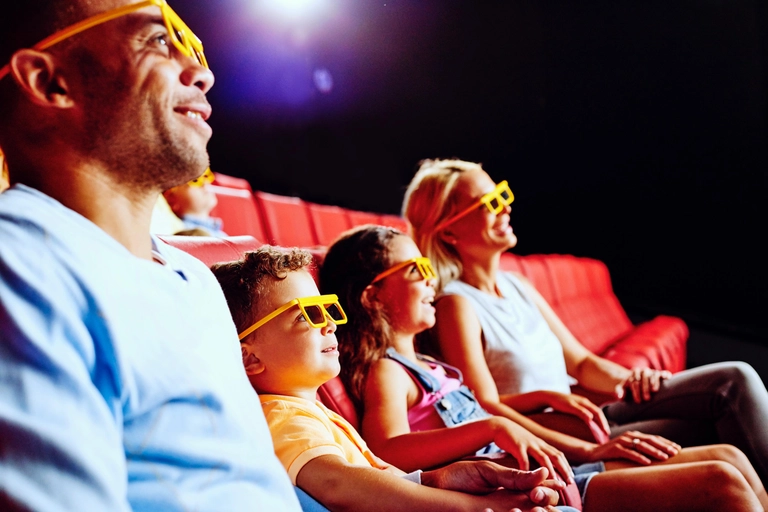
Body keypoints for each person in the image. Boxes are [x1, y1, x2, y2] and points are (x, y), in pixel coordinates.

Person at [0, 1, 300, 510]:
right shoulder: (21, 267)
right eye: (160, 40)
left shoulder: (193, 276)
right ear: (51, 82)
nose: (203, 74)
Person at [318, 223, 768, 511]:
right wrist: (489, 427)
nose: (431, 277)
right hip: (525, 488)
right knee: (722, 481)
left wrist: (585, 448)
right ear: (373, 297)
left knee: (729, 457)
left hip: (551, 470)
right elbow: (387, 450)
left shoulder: (430, 365)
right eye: (415, 269)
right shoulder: (388, 371)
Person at [401, 157, 768, 484]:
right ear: (449, 232)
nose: (505, 208)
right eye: (490, 203)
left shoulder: (517, 285)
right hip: (562, 428)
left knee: (731, 384)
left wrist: (631, 378)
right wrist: (560, 409)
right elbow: (483, 405)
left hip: (588, 410)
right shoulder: (456, 305)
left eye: (503, 195)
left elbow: (581, 363)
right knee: (721, 414)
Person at [210, 246, 574, 512]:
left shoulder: (310, 413)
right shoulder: (280, 415)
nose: (330, 323)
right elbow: (338, 484)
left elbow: (380, 480)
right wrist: (476, 507)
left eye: (327, 308)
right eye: (308, 313)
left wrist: (439, 479)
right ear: (249, 357)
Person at [162, 167, 228, 237]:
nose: (205, 183)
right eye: (195, 181)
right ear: (171, 199)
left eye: (206, 176)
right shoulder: (184, 234)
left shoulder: (219, 233)